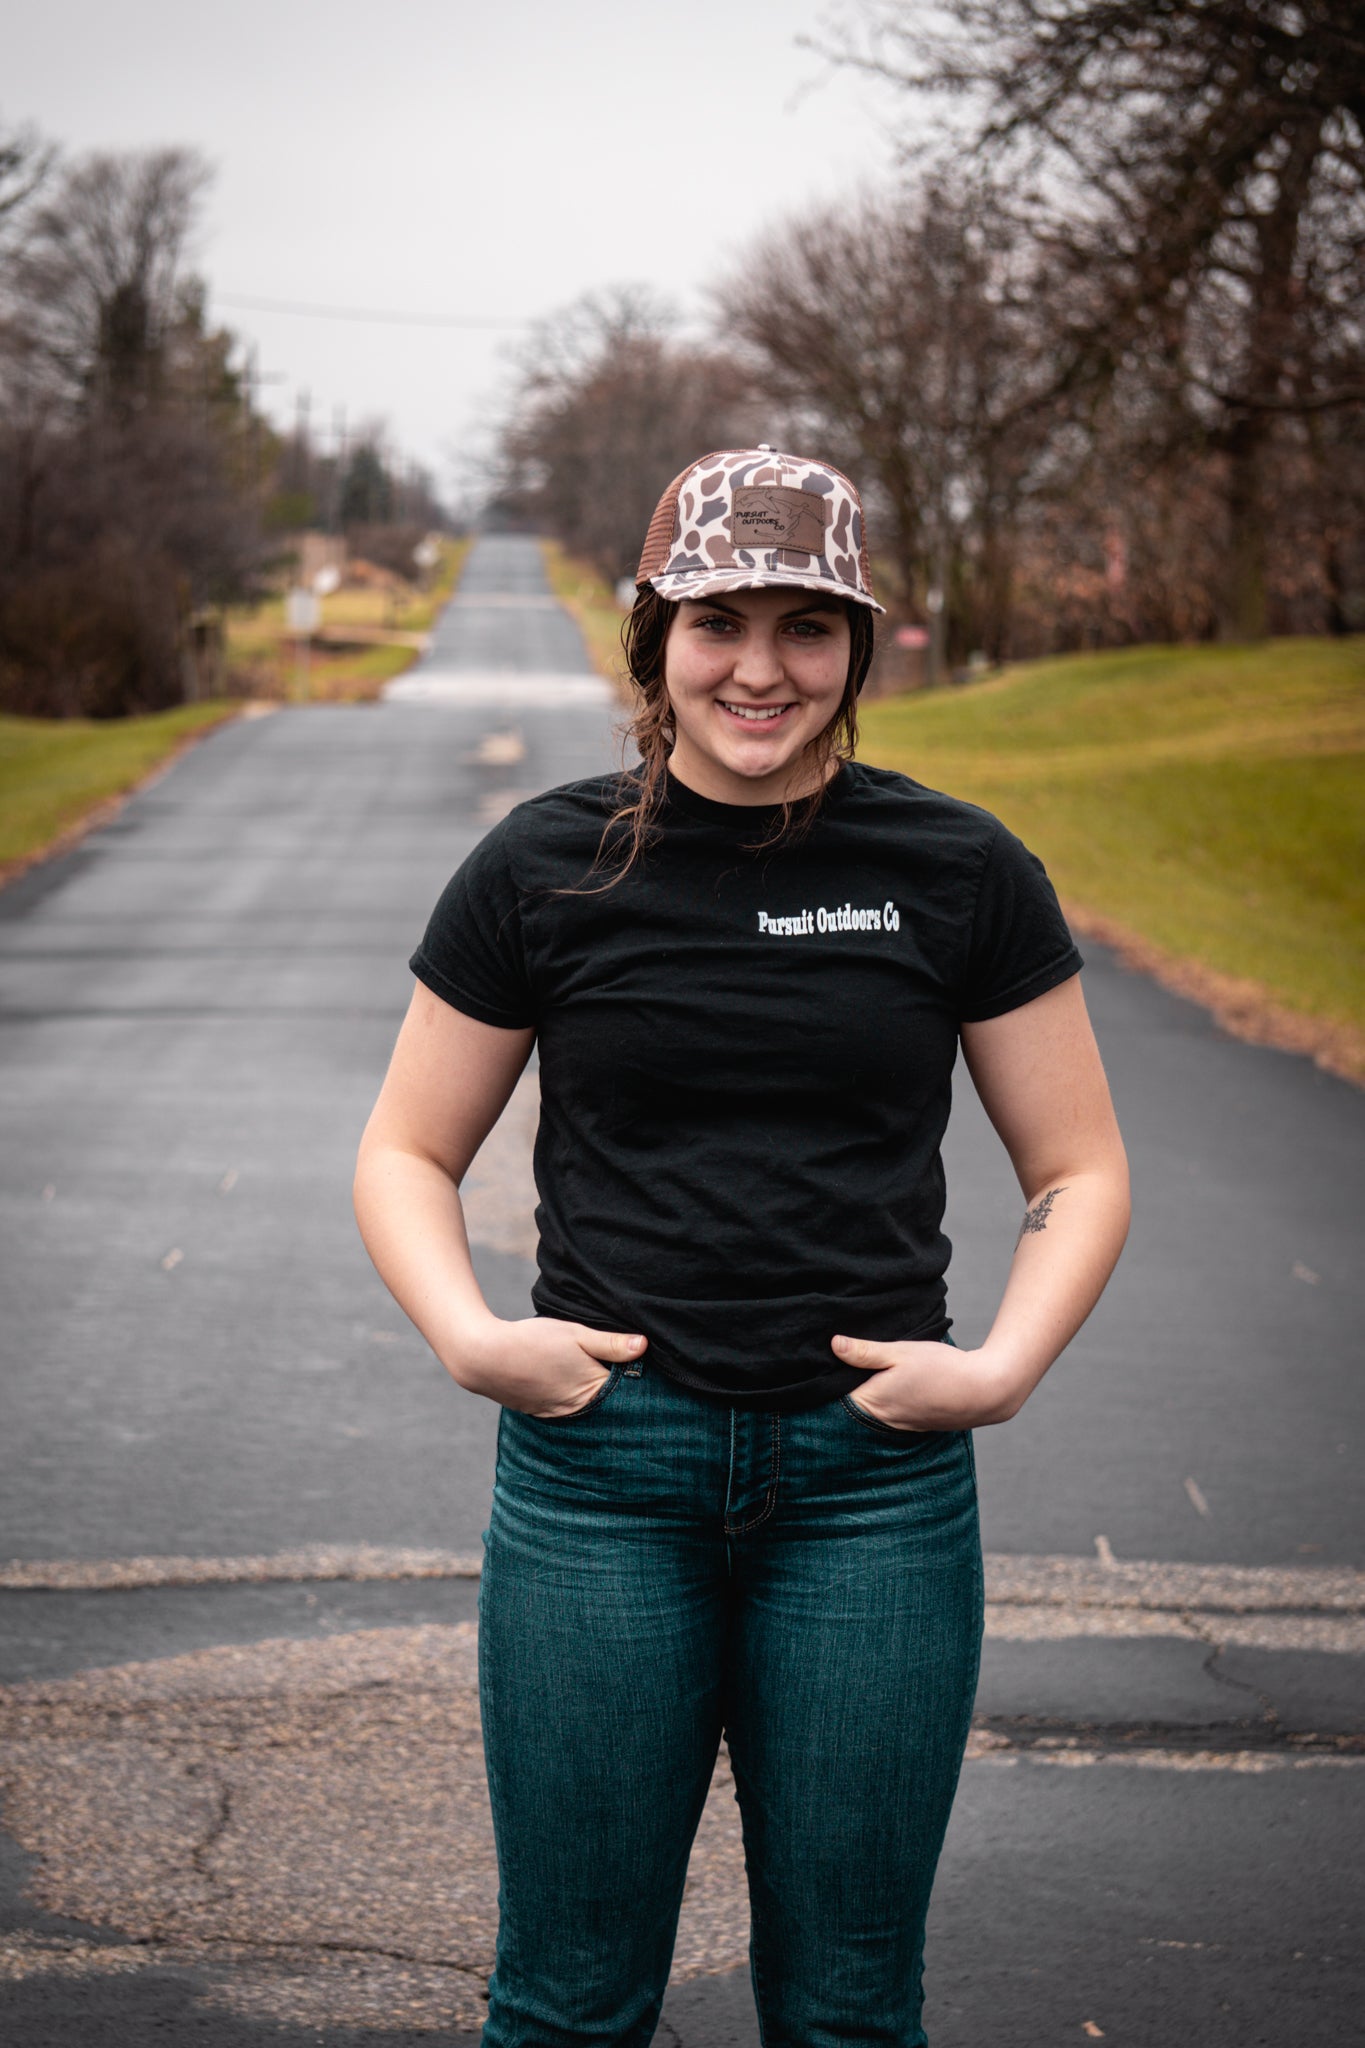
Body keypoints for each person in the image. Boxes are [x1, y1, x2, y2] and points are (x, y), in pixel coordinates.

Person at [354, 447, 1130, 2048]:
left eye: (805, 627)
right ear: (655, 642)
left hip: (871, 1495)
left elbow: (1080, 1168)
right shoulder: (544, 865)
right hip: (597, 1485)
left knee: (848, 2014)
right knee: (566, 2007)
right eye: (718, 624)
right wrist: (469, 1337)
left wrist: (998, 1370)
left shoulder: (958, 872)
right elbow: (406, 1151)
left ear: (857, 649)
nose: (759, 669)